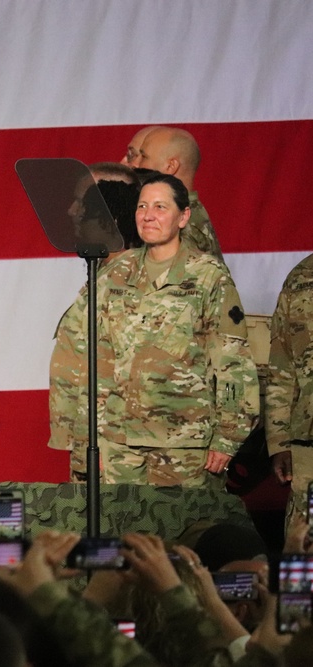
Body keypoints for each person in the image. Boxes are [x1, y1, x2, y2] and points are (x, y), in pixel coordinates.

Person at [94, 173, 259, 485]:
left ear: (183, 217)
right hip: (119, 442)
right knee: (123, 533)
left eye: (160, 206)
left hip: (185, 444)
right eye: (142, 206)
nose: (148, 215)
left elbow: (233, 361)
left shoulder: (209, 276)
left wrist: (227, 437)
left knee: (184, 532)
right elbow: (99, 358)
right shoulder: (114, 275)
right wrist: (90, 439)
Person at [48, 165, 142, 481]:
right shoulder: (102, 277)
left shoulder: (136, 282)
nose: (71, 211)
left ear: (111, 213)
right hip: (92, 443)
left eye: (82, 203)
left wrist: (108, 447)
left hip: (118, 453)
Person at [129, 126, 224, 262]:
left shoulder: (184, 224)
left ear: (170, 166)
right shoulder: (181, 213)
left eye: (144, 157)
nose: (136, 165)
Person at [266, 253, 313, 524]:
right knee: (304, 554)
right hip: (307, 452)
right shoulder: (301, 277)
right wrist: (279, 442)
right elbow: (282, 367)